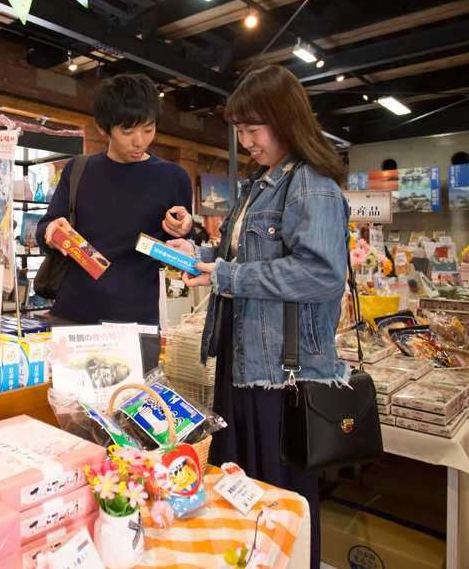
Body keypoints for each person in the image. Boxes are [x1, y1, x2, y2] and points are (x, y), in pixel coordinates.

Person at [167, 65, 350, 565]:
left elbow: (321, 274)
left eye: (253, 128)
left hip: (280, 374)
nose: (245, 141)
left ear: (286, 120)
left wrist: (224, 276)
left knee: (279, 495)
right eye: (240, 131)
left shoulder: (311, 185)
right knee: (241, 488)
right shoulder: (259, 184)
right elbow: (247, 262)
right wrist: (198, 253)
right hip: (241, 358)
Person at [35, 73, 195, 326]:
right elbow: (46, 228)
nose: (139, 141)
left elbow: (184, 249)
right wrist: (52, 233)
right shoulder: (79, 169)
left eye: (148, 129)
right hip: (72, 316)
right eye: (127, 131)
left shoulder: (174, 177)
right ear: (103, 128)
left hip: (136, 320)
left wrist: (185, 229)